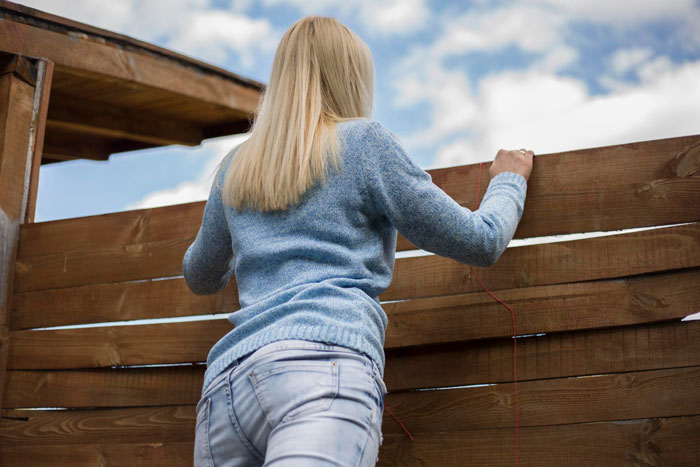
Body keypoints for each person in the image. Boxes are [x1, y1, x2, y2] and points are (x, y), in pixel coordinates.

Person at [186, 15, 533, 467]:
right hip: (322, 374)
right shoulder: (364, 144)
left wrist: (253, 235)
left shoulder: (237, 167)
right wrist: (508, 182)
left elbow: (200, 274)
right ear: (350, 78)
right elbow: (480, 241)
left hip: (227, 387)